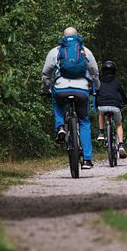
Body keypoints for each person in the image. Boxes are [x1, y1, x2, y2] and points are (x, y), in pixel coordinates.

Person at [41, 27, 99, 170]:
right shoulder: (85, 50)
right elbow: (95, 72)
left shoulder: (55, 51)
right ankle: (87, 160)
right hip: (81, 90)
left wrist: (46, 89)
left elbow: (46, 74)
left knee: (57, 103)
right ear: (77, 36)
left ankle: (60, 126)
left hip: (61, 88)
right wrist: (96, 88)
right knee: (84, 121)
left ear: (63, 37)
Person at [95, 60, 127, 159]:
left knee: (101, 113)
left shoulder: (99, 82)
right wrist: (126, 102)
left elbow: (96, 94)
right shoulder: (117, 82)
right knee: (118, 124)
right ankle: (121, 144)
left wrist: (96, 104)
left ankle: (101, 132)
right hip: (115, 106)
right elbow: (122, 95)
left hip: (102, 105)